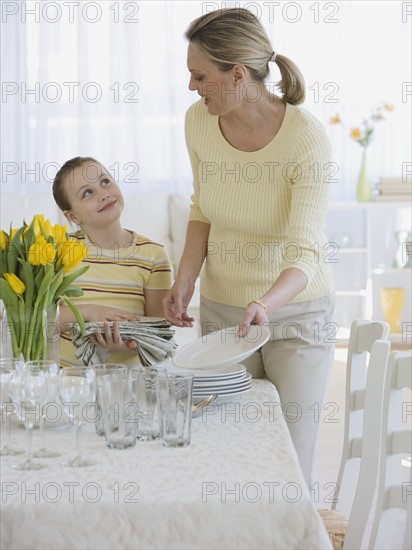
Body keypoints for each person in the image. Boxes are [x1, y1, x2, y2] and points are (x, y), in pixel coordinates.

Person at [163, 7, 335, 485]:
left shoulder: (307, 139)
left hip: (296, 315)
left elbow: (305, 251)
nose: (193, 87)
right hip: (224, 312)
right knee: (226, 454)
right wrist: (184, 280)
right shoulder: (198, 122)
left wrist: (264, 303)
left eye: (200, 76)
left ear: (237, 74)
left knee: (288, 464)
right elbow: (202, 209)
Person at [53, 156, 172, 367]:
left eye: (105, 181)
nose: (103, 193)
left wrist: (128, 342)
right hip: (69, 381)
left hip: (125, 381)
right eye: (87, 192)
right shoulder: (59, 250)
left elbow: (160, 334)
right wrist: (90, 312)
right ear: (72, 217)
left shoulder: (153, 255)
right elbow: (39, 320)